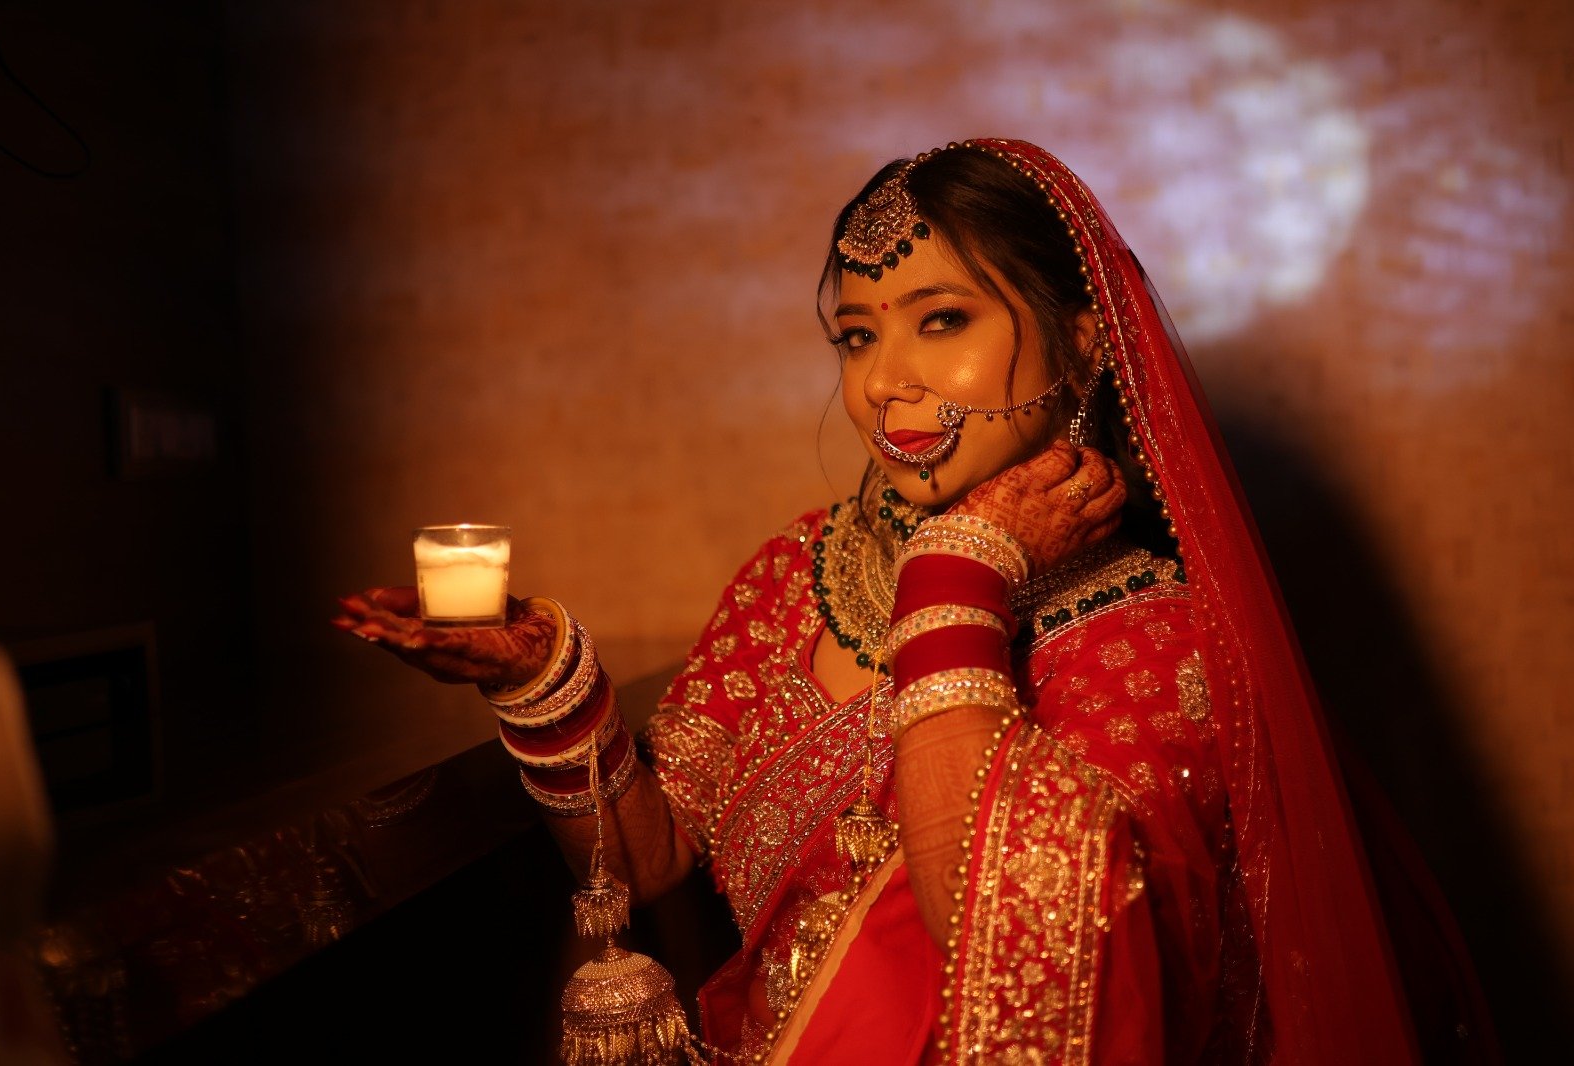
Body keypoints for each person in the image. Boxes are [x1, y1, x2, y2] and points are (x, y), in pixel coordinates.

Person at [335, 138, 1496, 1063]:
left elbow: (1010, 963)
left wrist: (953, 576)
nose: (884, 381)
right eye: (856, 334)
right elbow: (646, 858)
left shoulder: (1160, 646)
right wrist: (539, 684)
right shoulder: (800, 575)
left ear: (1083, 343)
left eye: (942, 320)